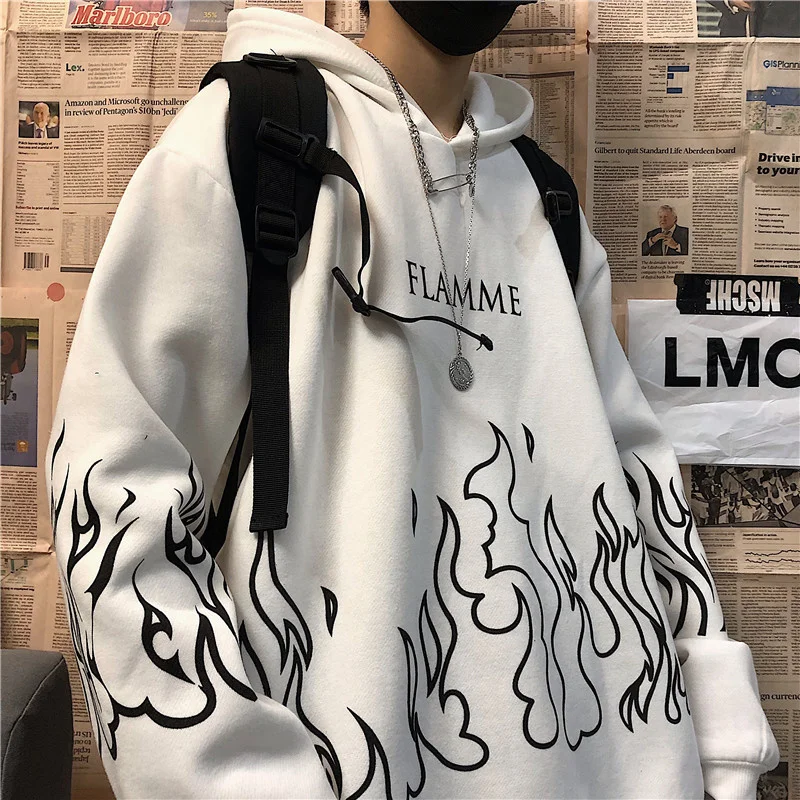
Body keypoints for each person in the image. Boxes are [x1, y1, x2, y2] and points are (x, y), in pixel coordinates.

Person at [46, 3, 778, 799]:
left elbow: (634, 473)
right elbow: (113, 485)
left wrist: (716, 729)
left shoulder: (545, 198)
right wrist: (238, 776)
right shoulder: (255, 136)